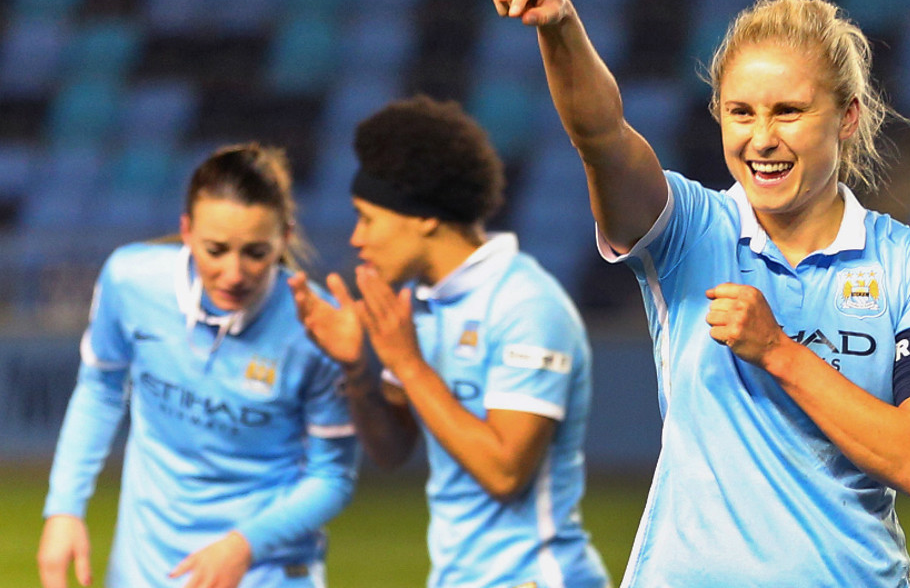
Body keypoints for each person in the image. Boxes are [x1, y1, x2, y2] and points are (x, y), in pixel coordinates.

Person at [493, 0, 910, 587]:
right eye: (741, 112)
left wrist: (778, 350)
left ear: (849, 117)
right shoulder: (689, 230)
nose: (761, 139)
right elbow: (602, 137)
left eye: (789, 111)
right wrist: (559, 26)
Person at [289, 95, 610, 588]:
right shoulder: (422, 302)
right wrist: (356, 370)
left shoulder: (526, 304)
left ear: (422, 217)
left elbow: (505, 474)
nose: (356, 238)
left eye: (367, 218)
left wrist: (411, 366)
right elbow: (393, 450)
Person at [37, 144, 359, 588]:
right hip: (146, 567)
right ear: (186, 230)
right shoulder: (131, 281)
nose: (234, 273)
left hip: (266, 567)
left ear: (285, 237)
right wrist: (64, 509)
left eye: (256, 252)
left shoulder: (318, 324)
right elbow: (99, 390)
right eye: (216, 249)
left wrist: (243, 546)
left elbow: (332, 477)